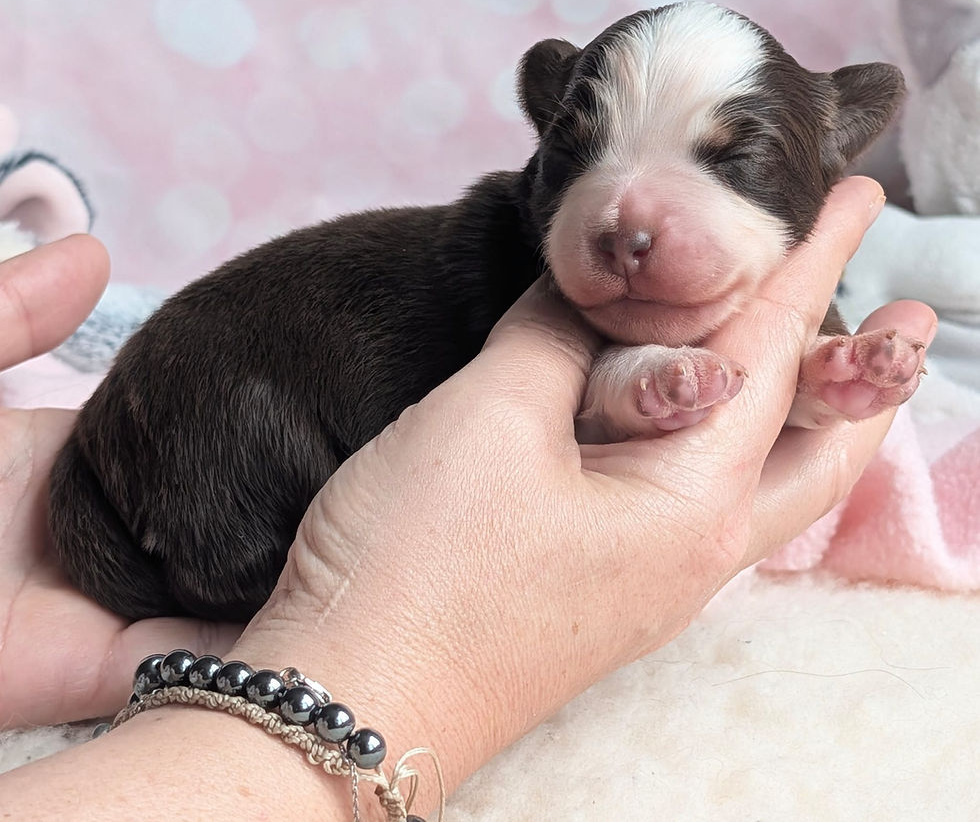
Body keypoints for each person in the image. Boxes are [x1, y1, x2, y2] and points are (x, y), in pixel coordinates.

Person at [0, 177, 936, 820]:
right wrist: (398, 671)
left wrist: (813, 375)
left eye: (732, 167)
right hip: (215, 492)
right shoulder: (513, 274)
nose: (635, 230)